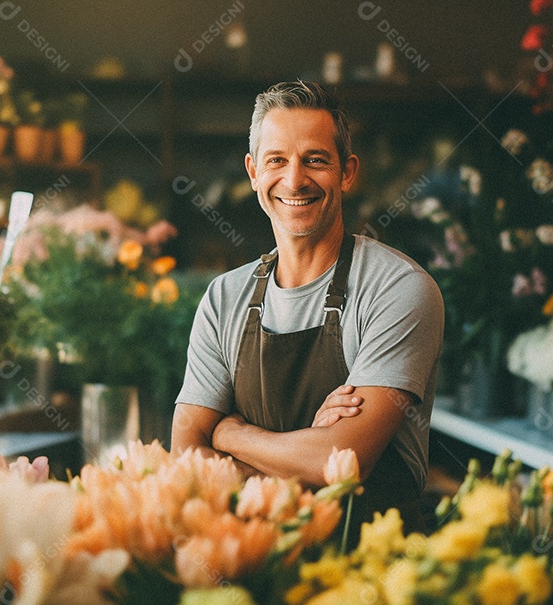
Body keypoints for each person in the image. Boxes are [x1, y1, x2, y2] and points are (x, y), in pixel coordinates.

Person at [172, 80, 443, 538]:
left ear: (347, 172)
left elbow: (341, 462)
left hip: (370, 569)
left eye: (315, 160)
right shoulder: (224, 298)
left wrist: (230, 435)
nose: (294, 180)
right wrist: (308, 453)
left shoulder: (398, 290)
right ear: (253, 171)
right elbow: (185, 453)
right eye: (276, 160)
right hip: (255, 560)